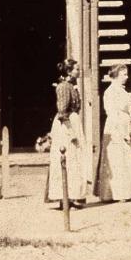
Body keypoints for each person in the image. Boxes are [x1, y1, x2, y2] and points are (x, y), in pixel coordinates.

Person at [47, 59, 89, 208]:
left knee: (74, 159)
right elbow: (62, 112)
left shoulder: (71, 85)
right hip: (66, 125)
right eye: (76, 69)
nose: (79, 71)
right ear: (69, 71)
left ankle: (72, 196)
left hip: (72, 121)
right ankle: (63, 197)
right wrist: (71, 132)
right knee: (68, 158)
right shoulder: (64, 86)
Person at [96, 64, 131, 203]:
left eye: (126, 74)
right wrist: (121, 131)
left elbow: (128, 111)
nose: (126, 77)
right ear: (115, 75)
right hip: (115, 127)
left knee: (125, 158)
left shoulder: (122, 91)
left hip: (124, 124)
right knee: (116, 159)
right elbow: (112, 113)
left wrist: (130, 128)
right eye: (123, 74)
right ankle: (114, 193)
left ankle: (125, 192)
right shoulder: (110, 92)